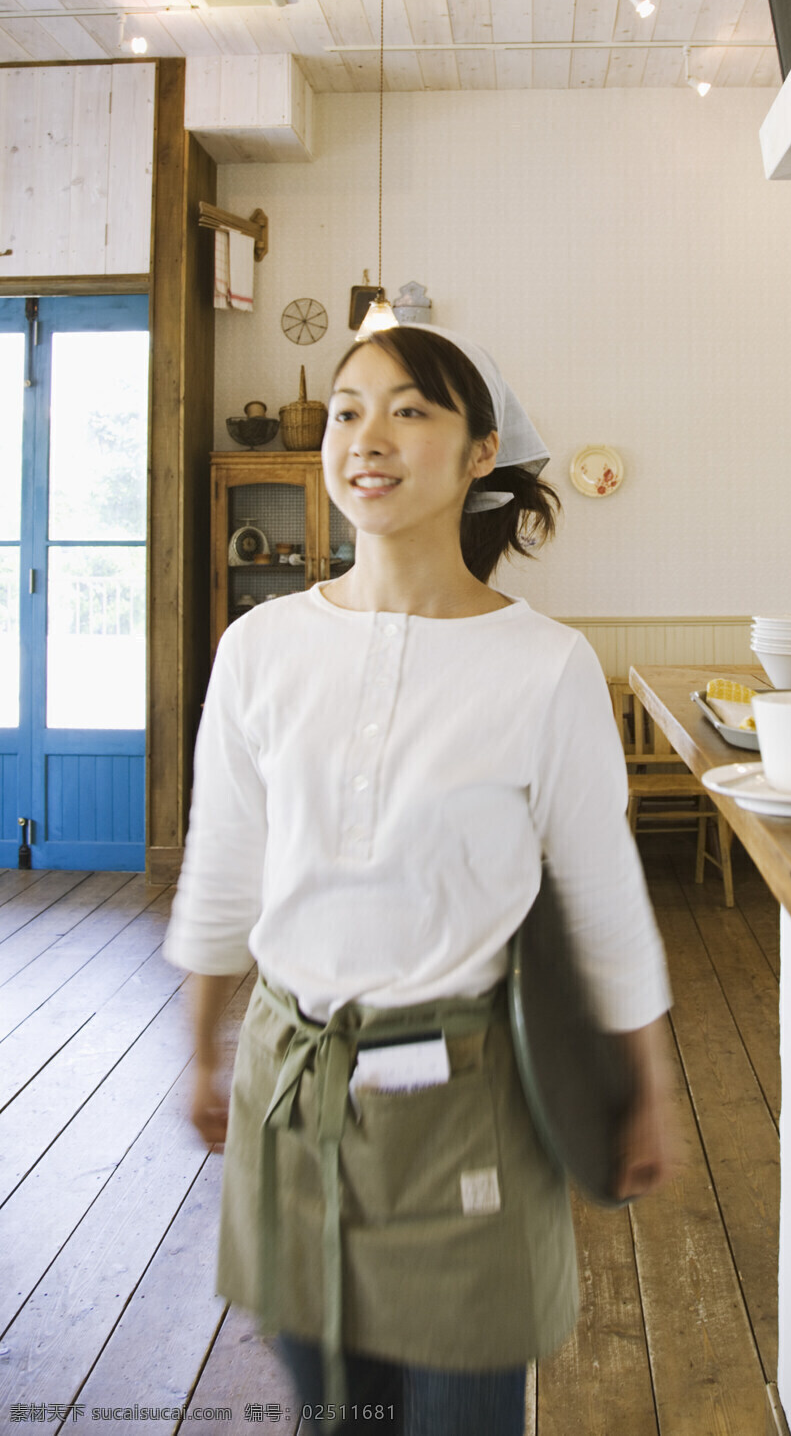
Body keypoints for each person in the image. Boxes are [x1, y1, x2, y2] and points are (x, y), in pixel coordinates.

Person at [164, 323, 674, 1436]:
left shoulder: (544, 666)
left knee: (455, 1417)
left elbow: (601, 895)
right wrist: (202, 1046)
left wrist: (648, 1084)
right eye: (349, 409)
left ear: (480, 450)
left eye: (411, 409)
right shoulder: (261, 649)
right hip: (290, 1086)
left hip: (466, 1101)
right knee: (334, 1413)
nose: (368, 436)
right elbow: (224, 866)